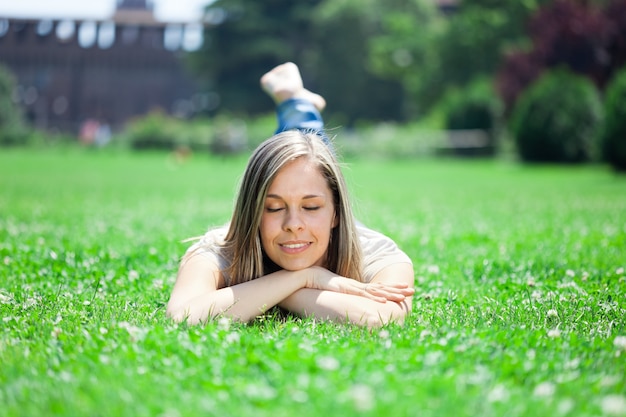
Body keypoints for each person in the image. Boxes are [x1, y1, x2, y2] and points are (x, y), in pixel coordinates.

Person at [166, 63, 414, 327]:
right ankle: (297, 103)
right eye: (273, 208)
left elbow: (384, 319)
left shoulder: (374, 251)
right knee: (299, 160)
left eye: (311, 208)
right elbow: (183, 317)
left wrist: (273, 289)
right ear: (252, 213)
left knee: (308, 158)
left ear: (336, 213)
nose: (293, 224)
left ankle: (296, 102)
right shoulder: (221, 249)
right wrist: (302, 277)